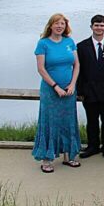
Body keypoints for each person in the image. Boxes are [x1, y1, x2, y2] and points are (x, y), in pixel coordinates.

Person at [33, 13, 82, 173]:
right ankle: (47, 159)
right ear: (51, 26)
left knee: (68, 121)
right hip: (51, 91)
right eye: (56, 24)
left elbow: (76, 65)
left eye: (62, 24)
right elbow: (41, 69)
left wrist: (73, 84)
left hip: (69, 90)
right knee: (50, 122)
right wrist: (55, 86)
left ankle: (69, 156)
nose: (59, 26)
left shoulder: (69, 42)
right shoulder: (43, 44)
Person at [76, 14, 104, 160]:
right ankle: (92, 146)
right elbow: (79, 70)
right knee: (92, 120)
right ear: (91, 27)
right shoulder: (81, 46)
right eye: (96, 25)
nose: (99, 28)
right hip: (89, 91)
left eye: (102, 25)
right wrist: (80, 90)